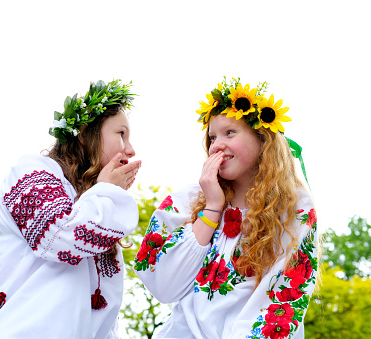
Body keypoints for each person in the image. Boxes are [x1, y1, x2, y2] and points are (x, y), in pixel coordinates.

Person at [0, 79, 142, 339]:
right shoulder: (33, 171)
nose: (130, 149)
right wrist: (107, 190)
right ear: (85, 134)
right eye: (121, 134)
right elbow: (58, 235)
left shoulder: (100, 211)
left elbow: (102, 317)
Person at [135, 78, 318, 339]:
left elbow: (282, 299)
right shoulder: (187, 200)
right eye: (212, 137)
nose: (216, 144)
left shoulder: (294, 207)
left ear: (262, 138)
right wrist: (212, 207)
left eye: (229, 133)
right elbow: (164, 286)